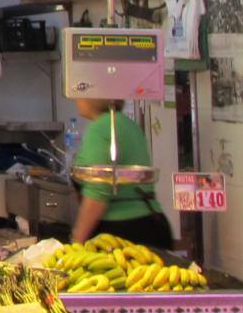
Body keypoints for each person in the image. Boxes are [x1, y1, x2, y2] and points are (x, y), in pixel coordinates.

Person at [70, 98, 174, 247]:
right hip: (153, 224)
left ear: (92, 98)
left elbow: (98, 194)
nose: (75, 100)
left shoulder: (100, 128)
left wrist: (76, 242)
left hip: (120, 234)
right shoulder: (130, 125)